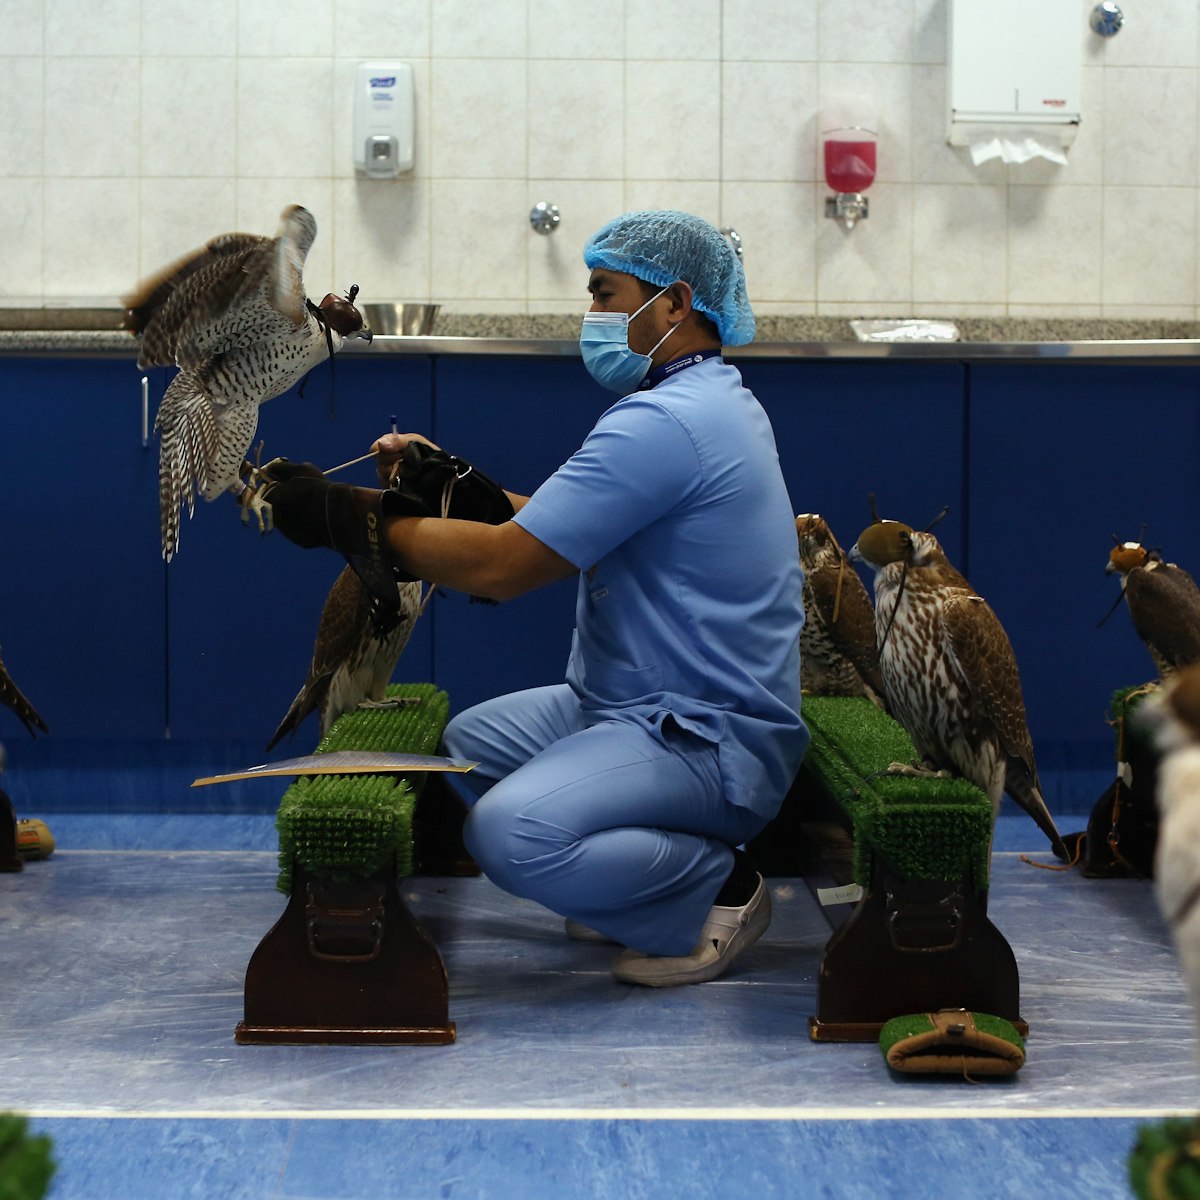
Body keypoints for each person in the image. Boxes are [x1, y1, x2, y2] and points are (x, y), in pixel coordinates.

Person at [260, 210, 808, 987]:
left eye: (604, 295)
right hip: (635, 705)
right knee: (472, 748)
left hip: (707, 739)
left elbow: (506, 568)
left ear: (677, 304)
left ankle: (715, 889)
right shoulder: (704, 401)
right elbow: (554, 522)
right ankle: (630, 887)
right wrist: (450, 482)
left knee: (511, 834)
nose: (592, 317)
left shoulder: (669, 423)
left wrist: (349, 518)